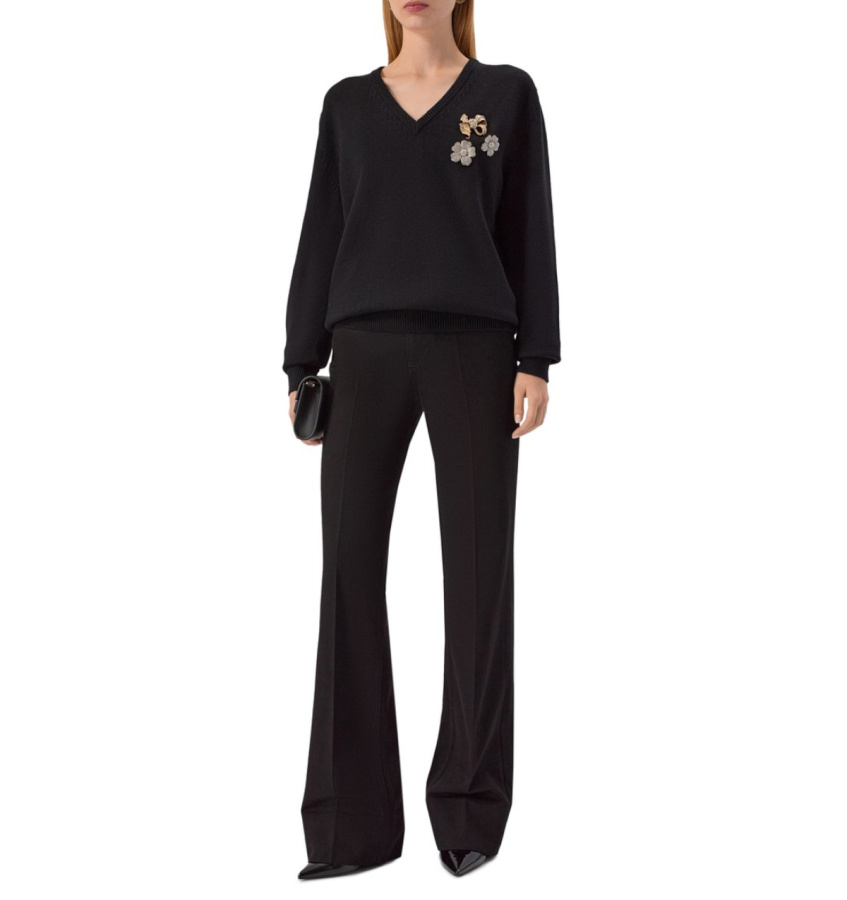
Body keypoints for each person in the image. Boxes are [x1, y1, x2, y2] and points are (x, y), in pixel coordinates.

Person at [283, 0, 561, 879]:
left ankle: (469, 812)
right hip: (361, 352)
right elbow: (321, 230)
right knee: (346, 576)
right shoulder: (347, 104)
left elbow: (528, 225)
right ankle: (347, 828)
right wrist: (300, 361)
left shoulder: (505, 95)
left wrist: (536, 357)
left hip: (475, 352)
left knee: (478, 577)